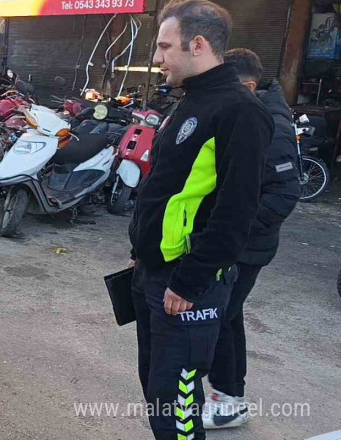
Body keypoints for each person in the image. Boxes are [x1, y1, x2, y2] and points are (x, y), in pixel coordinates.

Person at [126, 1, 274, 439]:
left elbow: (236, 211)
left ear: (198, 44)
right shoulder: (190, 100)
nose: (157, 59)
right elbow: (168, 189)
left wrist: (189, 281)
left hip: (188, 287)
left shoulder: (240, 111)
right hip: (154, 274)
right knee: (158, 394)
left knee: (177, 411)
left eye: (164, 46)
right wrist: (142, 251)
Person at [201, 48, 300, 430]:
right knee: (227, 316)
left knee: (219, 318)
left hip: (244, 248)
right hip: (231, 243)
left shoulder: (268, 121)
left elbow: (283, 194)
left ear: (248, 85)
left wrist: (232, 230)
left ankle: (228, 400)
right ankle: (228, 395)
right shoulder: (243, 112)